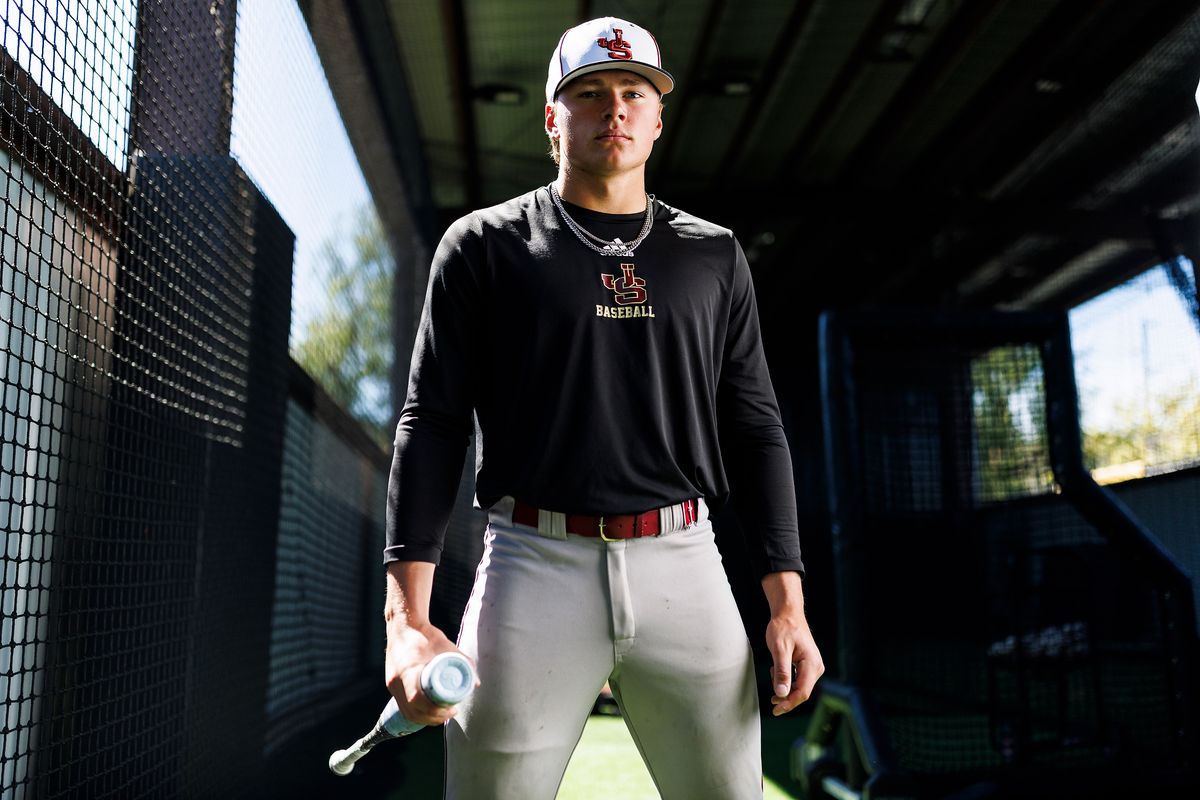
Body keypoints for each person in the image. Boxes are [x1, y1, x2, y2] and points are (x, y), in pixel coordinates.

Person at [383, 15, 823, 798]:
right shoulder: (481, 245)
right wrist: (405, 623)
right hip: (531, 565)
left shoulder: (713, 253)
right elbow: (432, 423)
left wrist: (786, 604)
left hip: (686, 562)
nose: (613, 109)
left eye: (633, 92)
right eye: (588, 93)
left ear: (657, 119)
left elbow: (756, 427)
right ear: (553, 118)